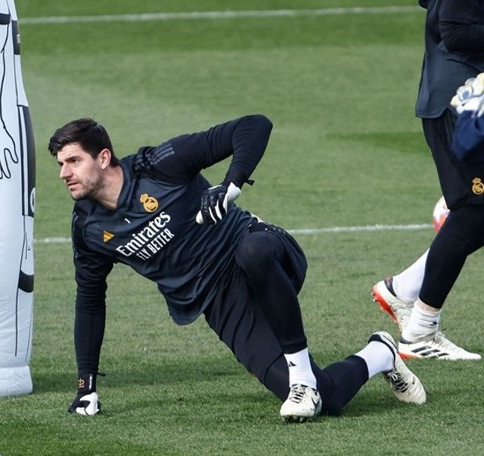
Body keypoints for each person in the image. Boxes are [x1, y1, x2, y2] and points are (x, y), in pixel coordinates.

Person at [48, 114, 426, 423]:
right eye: (61, 164)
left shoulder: (158, 165)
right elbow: (90, 301)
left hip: (262, 251)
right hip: (221, 302)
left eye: (73, 161)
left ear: (103, 158)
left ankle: (302, 379)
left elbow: (254, 125)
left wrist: (231, 184)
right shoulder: (89, 229)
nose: (64, 172)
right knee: (326, 400)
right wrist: (86, 386)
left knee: (253, 251)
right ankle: (381, 354)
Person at [371, 0, 484, 360]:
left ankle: (404, 289)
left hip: (464, 96)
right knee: (475, 209)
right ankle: (420, 331)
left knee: (477, 211)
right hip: (460, 102)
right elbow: (456, 30)